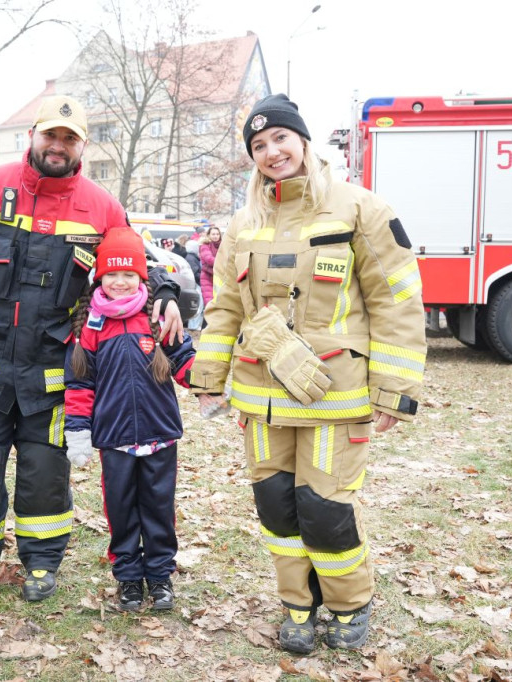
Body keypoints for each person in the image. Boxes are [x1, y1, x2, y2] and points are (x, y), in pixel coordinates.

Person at [0, 94, 184, 606]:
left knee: (44, 468)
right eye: (50, 135)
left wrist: (166, 296)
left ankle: (41, 563)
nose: (58, 146)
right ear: (34, 136)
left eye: (70, 138)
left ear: (81, 146)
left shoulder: (101, 206)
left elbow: (142, 263)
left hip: (57, 367)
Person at [189, 94, 426, 653]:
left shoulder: (359, 208)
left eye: (280, 139)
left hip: (334, 397)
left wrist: (395, 390)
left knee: (324, 508)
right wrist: (208, 378)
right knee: (276, 504)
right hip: (261, 396)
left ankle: (348, 603)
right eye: (258, 145)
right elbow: (225, 306)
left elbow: (397, 300)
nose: (271, 152)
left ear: (303, 140)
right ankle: (297, 603)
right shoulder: (242, 223)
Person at [63, 226, 195, 612]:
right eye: (112, 274)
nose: (120, 282)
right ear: (99, 276)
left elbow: (183, 359)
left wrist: (209, 383)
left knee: (158, 507)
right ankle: (128, 578)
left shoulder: (155, 318)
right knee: (121, 508)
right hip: (114, 438)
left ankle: (159, 576)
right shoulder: (89, 325)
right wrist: (78, 430)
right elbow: (80, 382)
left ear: (141, 276)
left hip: (158, 435)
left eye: (129, 274)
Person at [198, 225, 221, 309]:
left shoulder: (222, 246)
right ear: (209, 235)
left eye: (217, 234)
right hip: (207, 276)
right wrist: (223, 262)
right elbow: (209, 259)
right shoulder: (205, 245)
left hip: (219, 276)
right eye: (213, 234)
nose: (215, 236)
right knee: (210, 304)